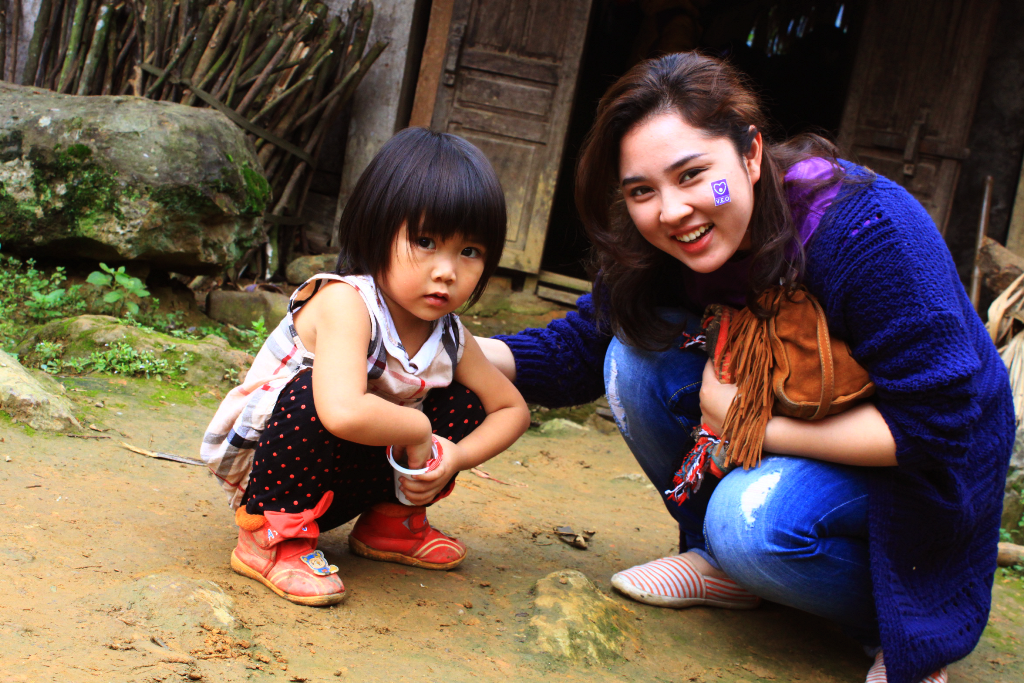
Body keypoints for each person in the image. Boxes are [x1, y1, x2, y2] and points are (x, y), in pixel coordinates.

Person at [478, 53, 1013, 683]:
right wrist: (451, 350)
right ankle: (723, 565)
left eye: (693, 174)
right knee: (633, 359)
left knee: (749, 525)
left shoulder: (869, 231)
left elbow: (939, 427)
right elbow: (579, 348)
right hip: (790, 417)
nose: (672, 211)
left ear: (751, 154)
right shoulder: (669, 245)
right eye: (642, 191)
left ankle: (908, 625)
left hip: (919, 463)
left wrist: (749, 424)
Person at [201, 127, 530, 607]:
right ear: (376, 230)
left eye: (470, 252)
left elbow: (511, 410)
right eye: (425, 241)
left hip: (349, 475)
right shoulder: (346, 302)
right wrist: (420, 429)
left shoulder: (450, 335)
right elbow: (341, 412)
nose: (447, 271)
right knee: (311, 394)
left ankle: (391, 523)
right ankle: (269, 539)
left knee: (467, 399)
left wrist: (456, 458)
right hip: (278, 473)